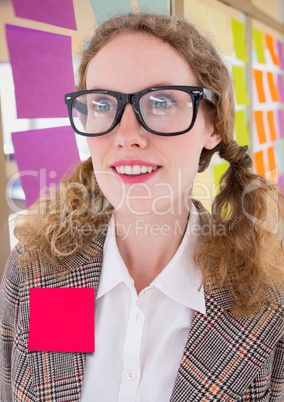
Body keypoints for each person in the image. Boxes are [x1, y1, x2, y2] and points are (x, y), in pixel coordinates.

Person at [1, 12, 283, 402]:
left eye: (162, 101)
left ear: (213, 125)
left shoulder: (266, 304)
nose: (126, 136)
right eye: (102, 104)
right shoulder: (37, 269)